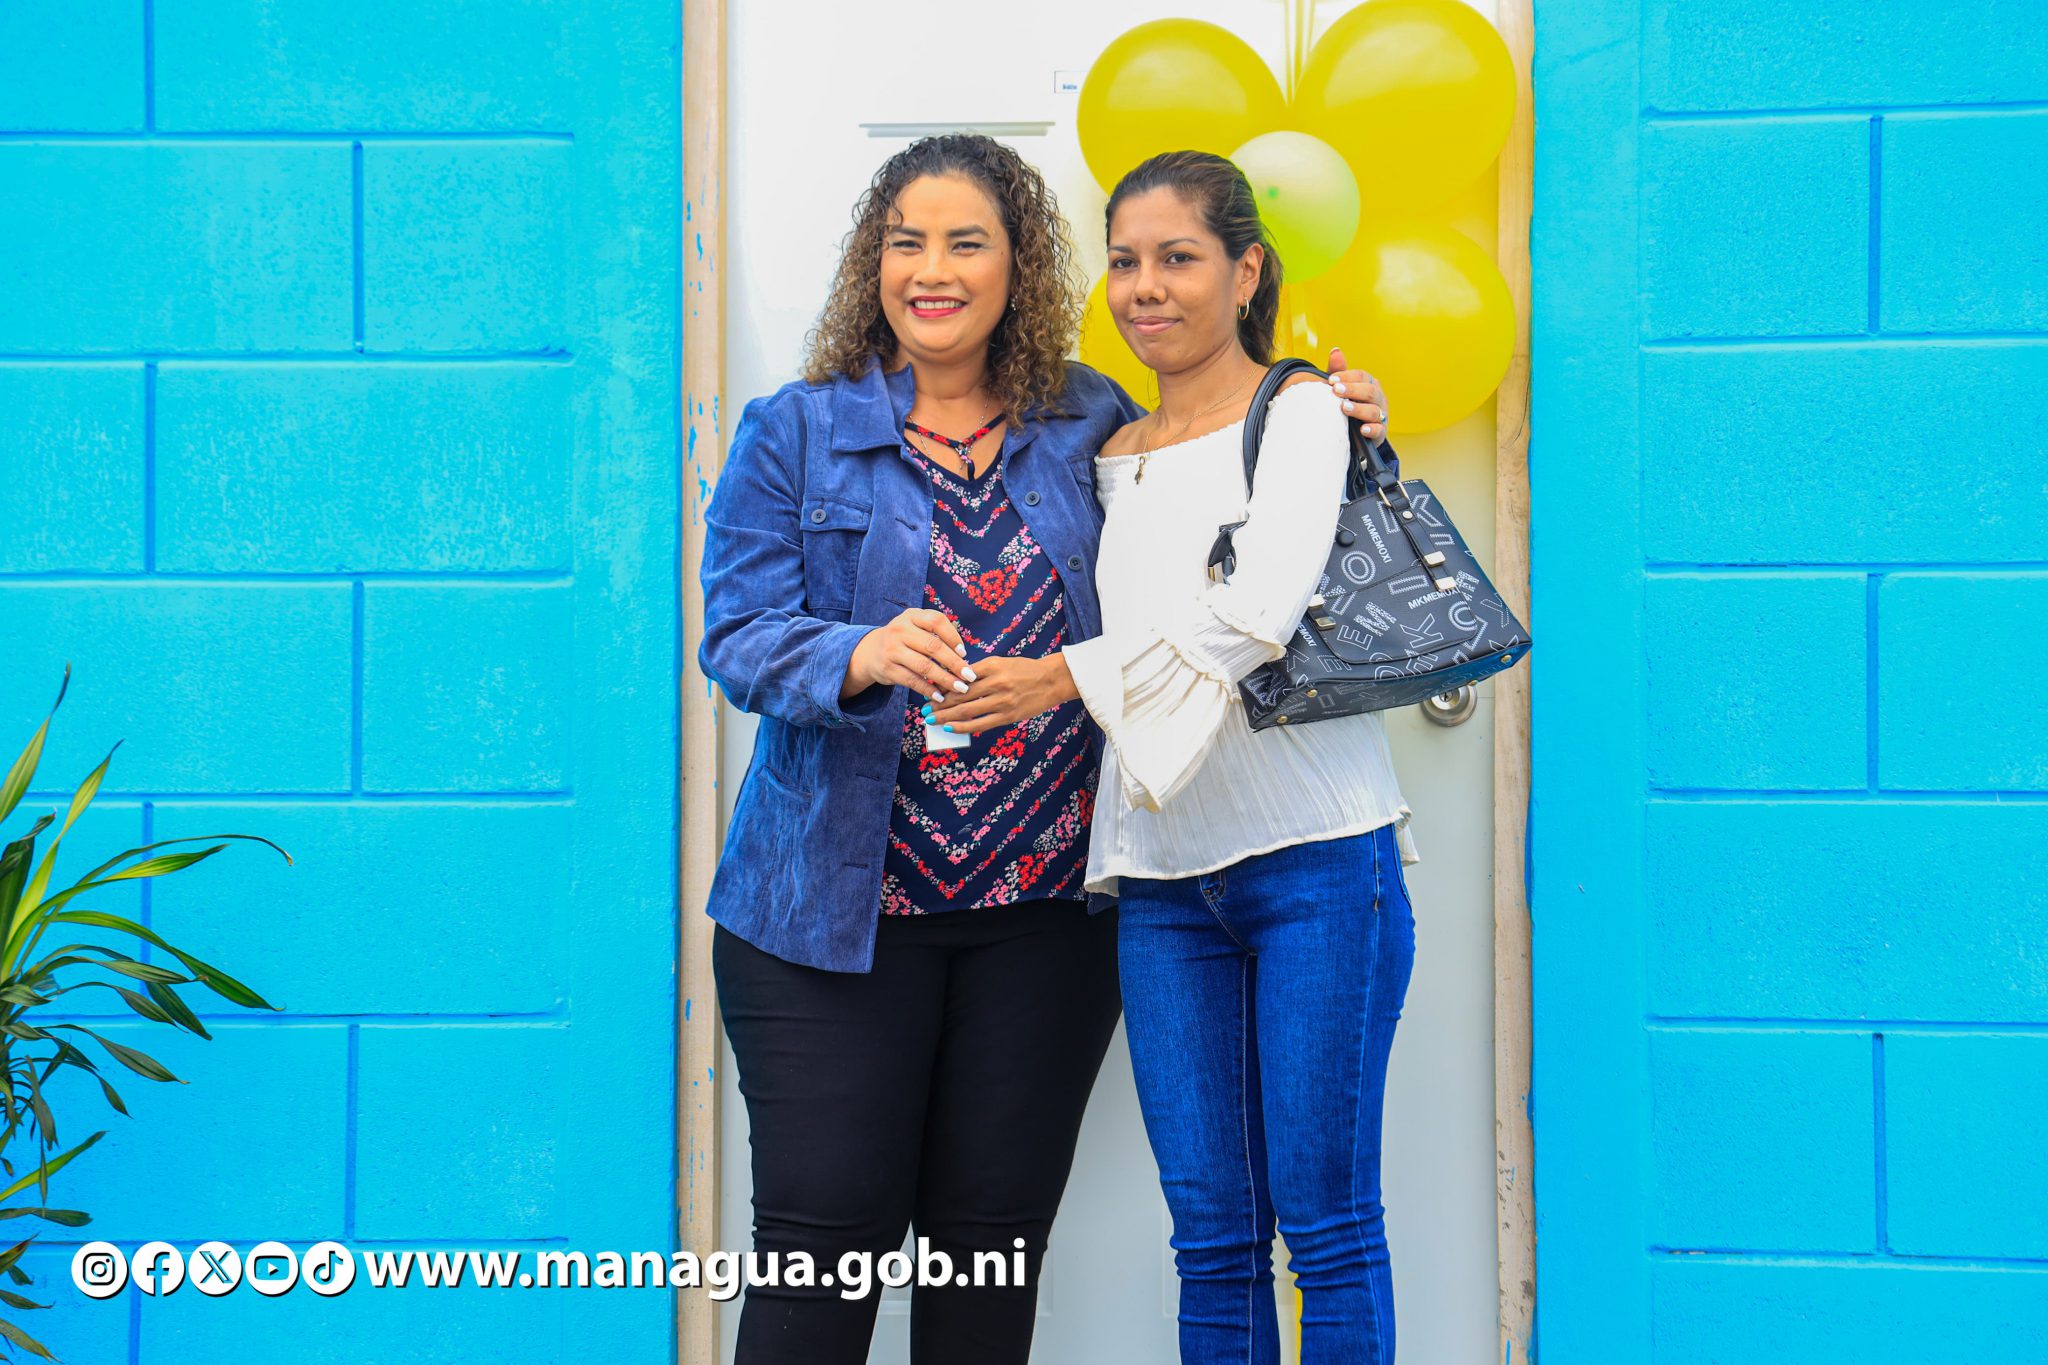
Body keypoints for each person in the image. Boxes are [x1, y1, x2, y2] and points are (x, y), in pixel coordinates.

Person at [698, 134, 1390, 1365]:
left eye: (966, 242)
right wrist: (856, 653)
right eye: (905, 241)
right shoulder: (794, 431)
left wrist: (1339, 420)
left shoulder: (1087, 420)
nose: (932, 269)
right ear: (872, 263)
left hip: (1041, 924)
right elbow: (736, 636)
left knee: (988, 1250)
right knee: (821, 1248)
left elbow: (1219, 486)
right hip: (827, 919)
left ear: (1015, 267)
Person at [928, 149, 1418, 1364]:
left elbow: (1253, 615)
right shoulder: (1106, 440)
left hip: (1315, 862)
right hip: (1155, 879)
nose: (1145, 287)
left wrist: (1058, 678)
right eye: (1125, 262)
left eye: (1179, 258)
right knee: (1209, 1237)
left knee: (1327, 1227)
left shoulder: (1299, 411)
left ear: (1245, 271)